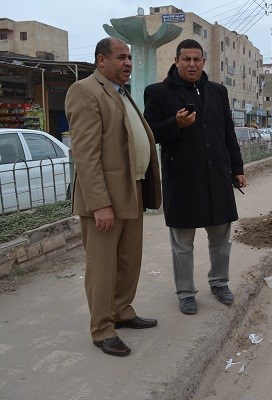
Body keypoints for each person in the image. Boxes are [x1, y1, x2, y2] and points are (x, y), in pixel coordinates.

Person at [65, 37, 162, 357]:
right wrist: (100, 204)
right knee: (103, 265)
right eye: (121, 57)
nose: (129, 63)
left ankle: (121, 311)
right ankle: (101, 328)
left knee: (128, 259)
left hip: (131, 188)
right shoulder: (85, 91)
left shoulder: (122, 93)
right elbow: (86, 154)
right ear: (101, 60)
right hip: (105, 197)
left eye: (130, 57)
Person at [143, 39, 247, 315]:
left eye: (197, 59)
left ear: (203, 62)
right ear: (176, 61)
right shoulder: (158, 93)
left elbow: (227, 133)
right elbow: (149, 132)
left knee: (221, 239)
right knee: (182, 243)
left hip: (216, 178)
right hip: (183, 180)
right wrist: (175, 124)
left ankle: (219, 283)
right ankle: (186, 292)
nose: (192, 64)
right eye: (186, 59)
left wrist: (237, 169)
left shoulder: (217, 91)